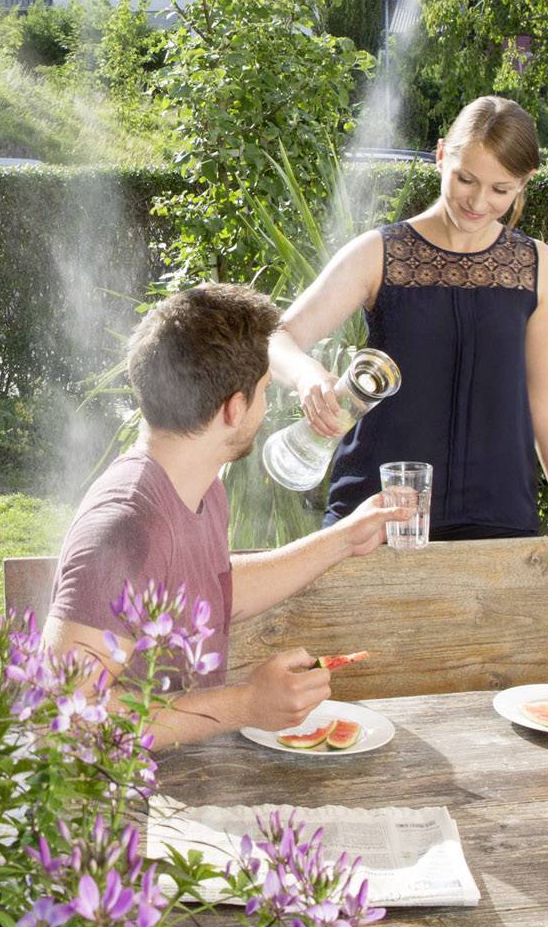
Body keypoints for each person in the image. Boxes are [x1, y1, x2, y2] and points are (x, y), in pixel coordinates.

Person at [44, 282, 395, 747]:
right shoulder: (125, 526)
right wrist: (246, 705)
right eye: (265, 391)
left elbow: (209, 591)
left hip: (191, 779)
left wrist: (345, 539)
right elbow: (65, 715)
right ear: (234, 408)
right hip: (124, 806)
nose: (267, 406)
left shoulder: (199, 487)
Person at [268, 95, 548, 540]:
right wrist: (308, 376)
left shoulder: (536, 264)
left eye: (501, 189)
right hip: (376, 519)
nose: (479, 202)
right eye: (466, 179)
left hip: (499, 519)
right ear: (441, 156)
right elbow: (277, 338)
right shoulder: (379, 253)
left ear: (524, 183)